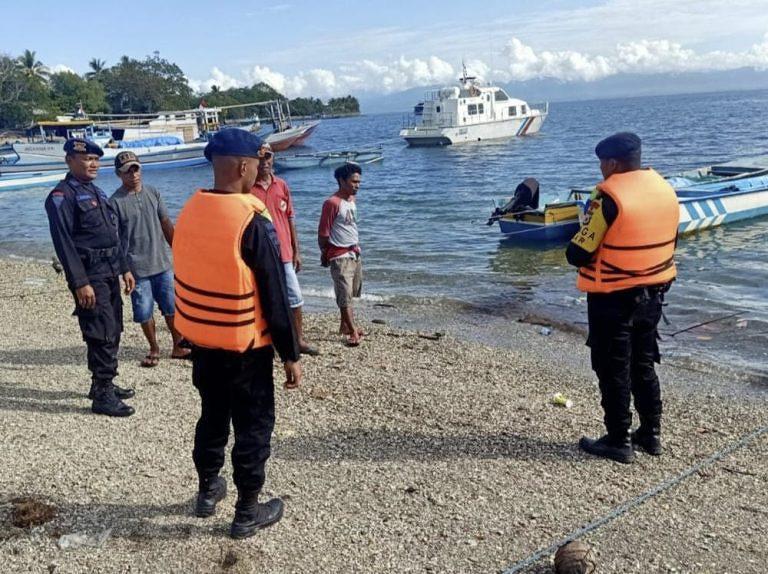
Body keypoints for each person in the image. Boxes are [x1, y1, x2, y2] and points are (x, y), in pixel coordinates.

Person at [172, 129, 302, 539]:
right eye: (256, 163)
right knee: (253, 426)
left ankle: (208, 490)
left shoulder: (191, 210)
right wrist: (291, 354)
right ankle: (247, 510)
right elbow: (276, 297)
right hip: (245, 346)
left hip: (203, 342)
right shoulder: (252, 220)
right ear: (244, 165)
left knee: (212, 415)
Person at [566, 132, 679, 464]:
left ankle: (619, 440)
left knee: (613, 367)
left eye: (602, 162)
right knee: (643, 364)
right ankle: (651, 434)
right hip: (653, 295)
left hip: (612, 298)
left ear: (612, 163)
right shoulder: (663, 189)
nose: (601, 168)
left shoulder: (607, 198)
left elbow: (579, 253)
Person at [44, 138, 136, 417]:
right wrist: (79, 283)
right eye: (86, 159)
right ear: (69, 160)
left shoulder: (96, 191)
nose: (93, 163)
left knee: (114, 327)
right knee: (101, 331)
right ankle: (103, 396)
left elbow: (112, 235)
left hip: (110, 270)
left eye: (96, 159)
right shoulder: (62, 196)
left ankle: (101, 383)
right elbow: (64, 244)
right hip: (90, 275)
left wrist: (125, 268)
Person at [109, 151, 189, 367]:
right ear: (119, 174)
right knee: (144, 311)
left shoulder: (153, 193)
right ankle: (154, 347)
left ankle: (178, 345)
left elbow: (166, 223)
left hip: (162, 263)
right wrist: (123, 270)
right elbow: (114, 240)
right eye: (127, 171)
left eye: (136, 169)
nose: (133, 174)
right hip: (136, 269)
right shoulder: (114, 202)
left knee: (171, 307)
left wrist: (179, 251)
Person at [250, 142, 319, 356]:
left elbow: (290, 218)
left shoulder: (282, 185)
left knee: (295, 296)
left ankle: (299, 339)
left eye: (268, 157)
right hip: (261, 254)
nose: (265, 162)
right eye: (260, 158)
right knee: (264, 298)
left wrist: (297, 250)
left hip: (285, 253)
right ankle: (266, 340)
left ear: (273, 158)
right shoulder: (248, 189)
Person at [318, 163, 364, 346]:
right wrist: (324, 252)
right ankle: (352, 331)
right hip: (339, 254)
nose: (357, 185)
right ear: (341, 181)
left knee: (351, 293)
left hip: (354, 252)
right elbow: (323, 232)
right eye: (353, 181)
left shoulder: (351, 200)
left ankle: (345, 325)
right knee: (344, 295)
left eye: (359, 182)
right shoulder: (332, 203)